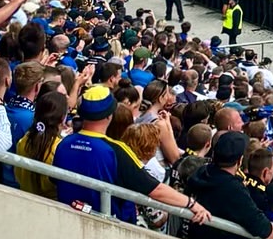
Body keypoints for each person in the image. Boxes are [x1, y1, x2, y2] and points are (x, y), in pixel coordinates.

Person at [52, 86, 212, 227]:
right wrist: (191, 204)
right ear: (109, 115)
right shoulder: (115, 150)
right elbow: (154, 189)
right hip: (104, 226)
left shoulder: (64, 143)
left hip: (66, 219)